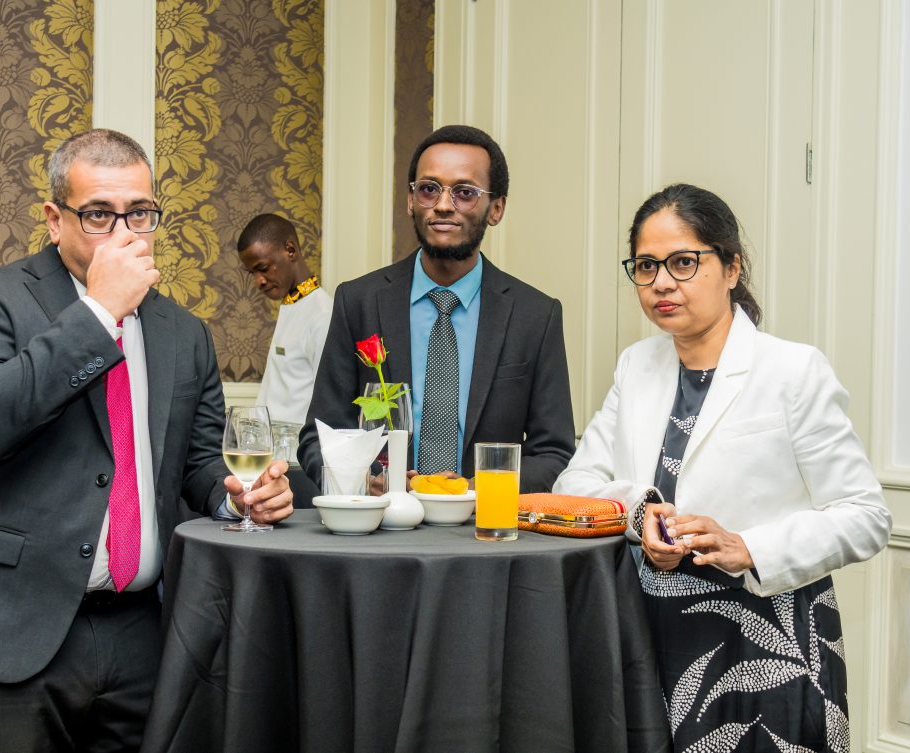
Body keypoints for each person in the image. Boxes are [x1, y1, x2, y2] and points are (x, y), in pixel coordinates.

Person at [0, 129, 294, 752]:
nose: (125, 230)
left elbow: (200, 461)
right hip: (8, 628)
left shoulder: (183, 332)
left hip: (142, 635)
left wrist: (236, 496)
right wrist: (99, 314)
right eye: (99, 214)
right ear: (55, 219)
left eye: (140, 212)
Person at [553, 183, 891, 751]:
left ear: (733, 267)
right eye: (646, 265)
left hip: (770, 640)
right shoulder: (636, 367)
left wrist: (749, 547)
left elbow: (866, 516)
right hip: (653, 635)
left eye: (684, 262)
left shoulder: (792, 371)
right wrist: (643, 513)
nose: (662, 282)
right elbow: (575, 485)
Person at [298, 124, 575, 492]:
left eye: (465, 192)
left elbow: (553, 452)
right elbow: (320, 437)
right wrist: (361, 480)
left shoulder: (535, 316)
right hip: (381, 532)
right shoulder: (359, 302)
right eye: (429, 189)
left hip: (484, 535)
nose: (444, 205)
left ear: (496, 208)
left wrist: (472, 492)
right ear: (411, 200)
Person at [237, 213, 331, 507]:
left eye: (263, 268)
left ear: (290, 250)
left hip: (297, 468)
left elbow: (327, 404)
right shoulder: (292, 305)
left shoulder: (321, 314)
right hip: (273, 463)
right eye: (252, 273)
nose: (259, 281)